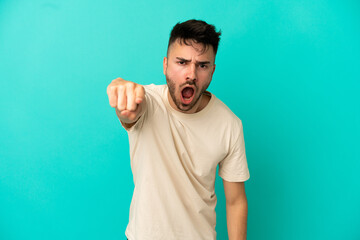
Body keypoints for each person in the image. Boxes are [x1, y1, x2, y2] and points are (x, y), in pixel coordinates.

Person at [106, 19, 250, 240]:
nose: (191, 74)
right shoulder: (148, 102)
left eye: (202, 65)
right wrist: (122, 94)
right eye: (182, 62)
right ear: (165, 65)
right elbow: (133, 108)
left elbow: (235, 201)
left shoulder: (229, 124)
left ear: (212, 71)